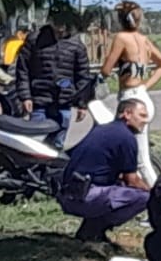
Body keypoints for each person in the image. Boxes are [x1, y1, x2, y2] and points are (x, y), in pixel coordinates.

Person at [58, 98, 152, 241]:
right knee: (145, 197)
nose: (146, 121)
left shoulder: (102, 129)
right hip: (84, 197)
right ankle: (95, 230)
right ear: (127, 113)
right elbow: (132, 180)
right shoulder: (125, 137)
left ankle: (89, 230)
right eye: (142, 115)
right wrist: (155, 192)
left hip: (68, 193)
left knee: (119, 188)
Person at [101, 0, 161, 184]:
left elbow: (106, 70)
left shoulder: (121, 38)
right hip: (141, 95)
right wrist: (146, 85)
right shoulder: (143, 40)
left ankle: (158, 195)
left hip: (130, 98)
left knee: (140, 160)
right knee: (131, 151)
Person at [14, 16, 93, 143]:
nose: (60, 26)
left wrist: (82, 104)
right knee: (36, 144)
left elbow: (83, 76)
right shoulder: (35, 39)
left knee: (58, 146)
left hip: (64, 104)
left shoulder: (76, 44)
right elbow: (23, 69)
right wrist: (25, 96)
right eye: (57, 21)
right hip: (39, 102)